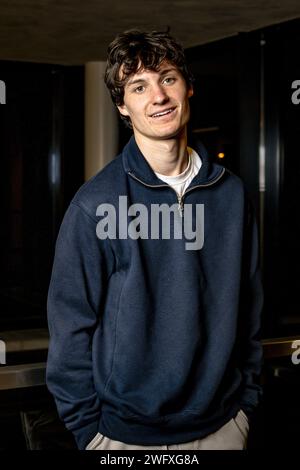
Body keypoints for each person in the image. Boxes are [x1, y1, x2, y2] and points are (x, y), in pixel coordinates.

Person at [46, 29, 263, 451]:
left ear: (188, 86)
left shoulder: (232, 194)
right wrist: (90, 433)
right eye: (139, 86)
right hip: (123, 438)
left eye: (168, 78)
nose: (158, 97)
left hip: (223, 426)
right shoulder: (96, 203)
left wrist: (245, 406)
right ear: (122, 106)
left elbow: (251, 304)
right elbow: (71, 326)